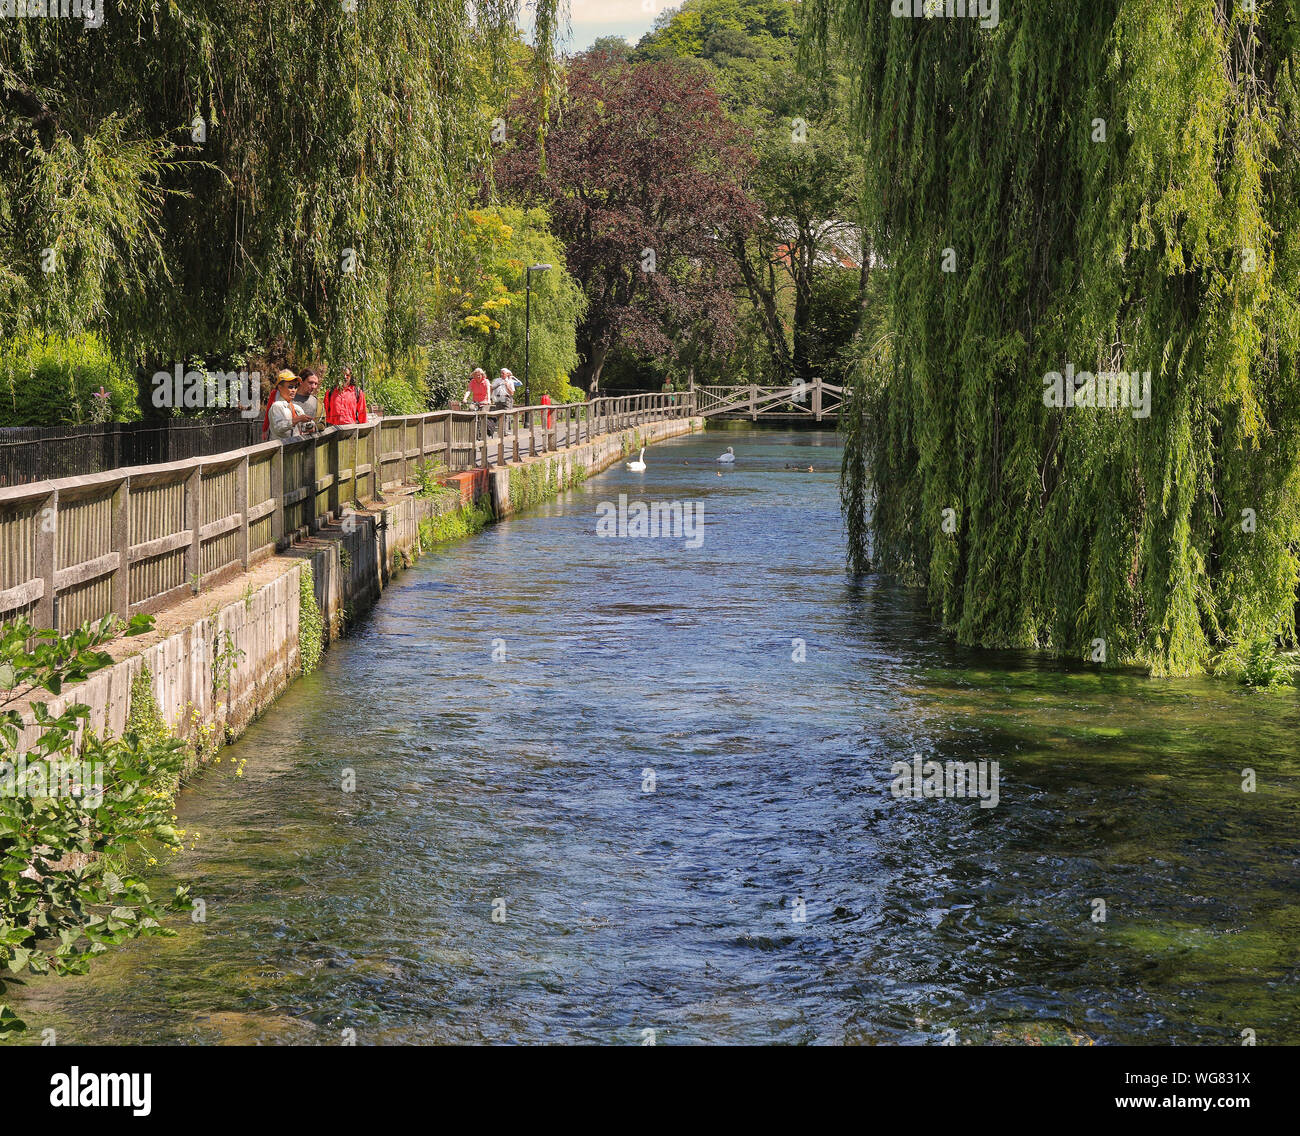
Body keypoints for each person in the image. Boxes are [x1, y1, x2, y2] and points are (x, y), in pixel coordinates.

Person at [266, 371, 312, 441]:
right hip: (280, 449)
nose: (294, 390)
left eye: (295, 387)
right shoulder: (276, 406)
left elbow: (304, 428)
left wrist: (310, 425)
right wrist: (298, 419)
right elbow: (278, 427)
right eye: (290, 387)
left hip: (294, 448)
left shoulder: (297, 408)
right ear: (280, 388)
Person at [295, 369, 322, 435]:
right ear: (301, 381)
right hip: (288, 442)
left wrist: (314, 428)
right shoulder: (288, 399)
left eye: (316, 384)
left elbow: (323, 424)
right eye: (310, 383)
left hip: (310, 443)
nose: (313, 387)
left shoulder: (318, 403)